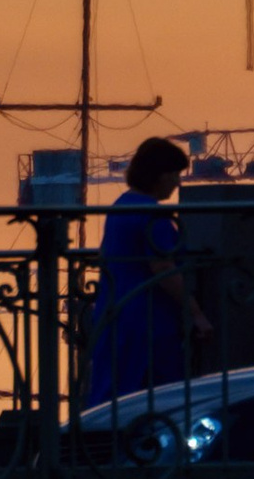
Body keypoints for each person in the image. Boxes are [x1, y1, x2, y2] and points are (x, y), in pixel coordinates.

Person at [84, 136, 196, 409]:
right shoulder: (153, 216)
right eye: (175, 174)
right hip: (149, 321)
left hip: (115, 313)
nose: (177, 183)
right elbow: (163, 268)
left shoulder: (121, 207)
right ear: (159, 175)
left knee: (111, 396)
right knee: (159, 401)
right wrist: (196, 313)